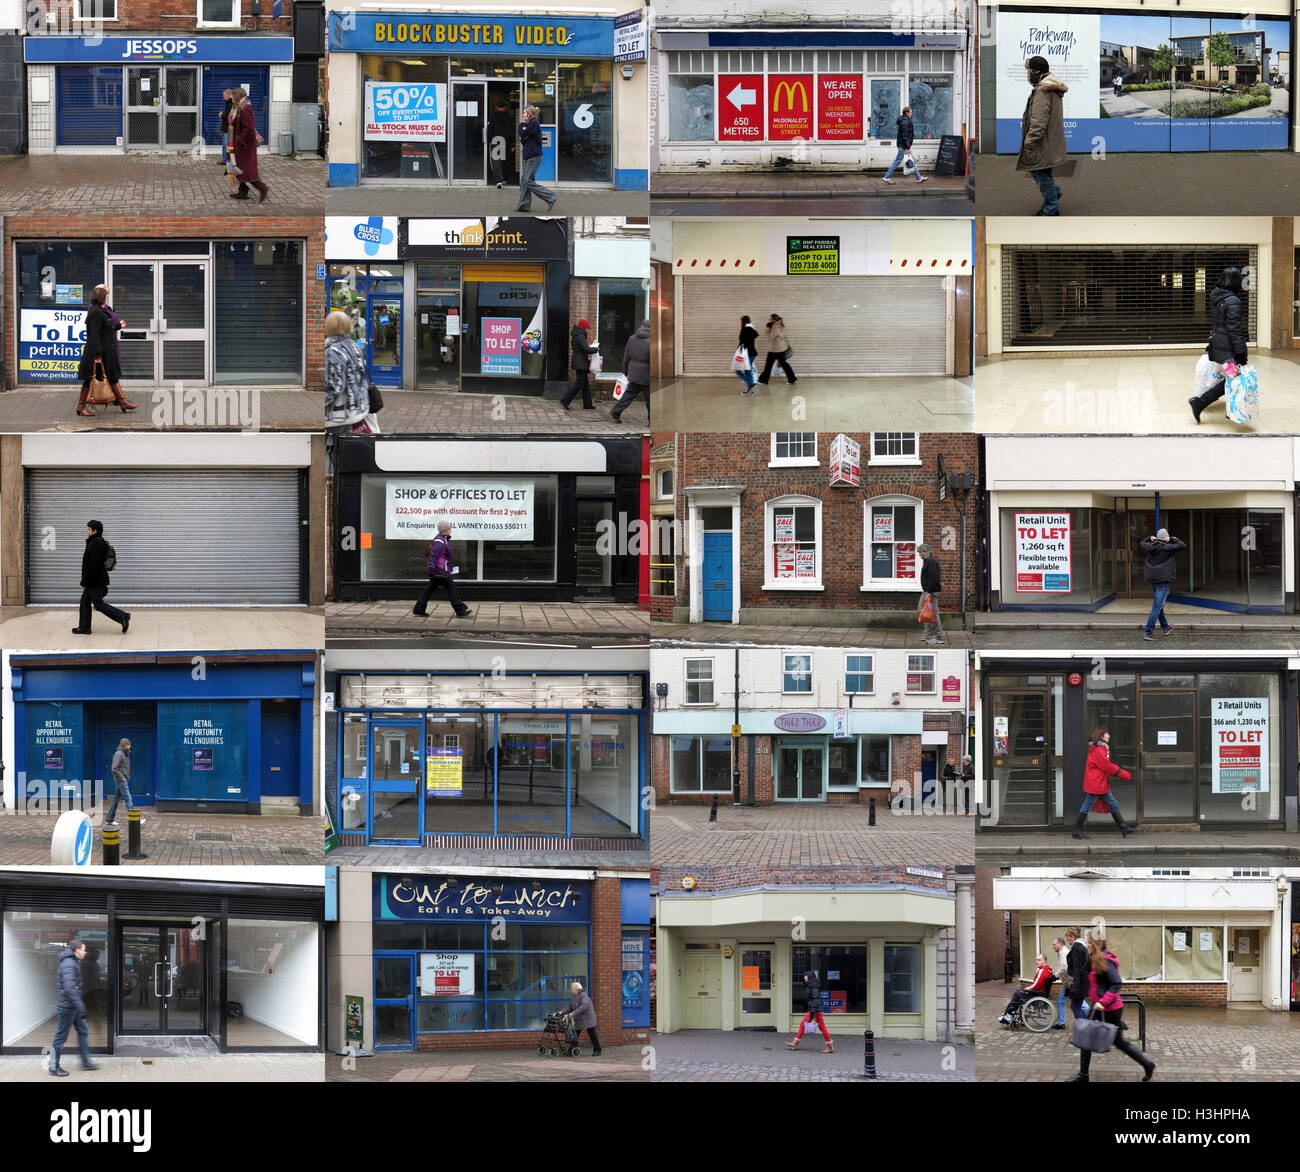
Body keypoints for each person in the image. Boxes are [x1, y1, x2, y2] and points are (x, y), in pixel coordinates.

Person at [1067, 931, 1156, 1083]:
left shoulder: (1106, 961)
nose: (1087, 945)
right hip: (1098, 1007)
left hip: (1109, 1009)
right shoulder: (1095, 958)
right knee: (1086, 1037)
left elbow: (1116, 983)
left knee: (1118, 1042)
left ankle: (1148, 1064)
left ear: (1095, 944)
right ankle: (1083, 1075)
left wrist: (1103, 1001)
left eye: (1089, 942)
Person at [1189, 267, 1248, 422]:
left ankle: (1230, 410)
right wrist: (1241, 352)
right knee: (1234, 376)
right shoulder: (1233, 300)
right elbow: (1234, 329)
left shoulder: (1215, 295)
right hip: (1228, 349)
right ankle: (1200, 402)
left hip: (1217, 344)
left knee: (1230, 376)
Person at [1016, 55, 1068, 216]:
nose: (1028, 75)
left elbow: (1038, 121)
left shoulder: (1042, 91)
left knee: (1041, 173)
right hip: (1049, 141)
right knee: (1041, 172)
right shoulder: (1049, 87)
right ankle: (1054, 192)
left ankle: (1051, 208)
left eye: (1029, 71)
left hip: (1042, 142)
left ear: (1036, 71)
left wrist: (1029, 142)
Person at [75, 285, 138, 417]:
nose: (108, 298)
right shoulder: (96, 312)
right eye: (106, 296)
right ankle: (81, 406)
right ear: (101, 297)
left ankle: (123, 401)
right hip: (97, 353)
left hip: (106, 351)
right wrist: (97, 357)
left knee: (112, 376)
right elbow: (94, 335)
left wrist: (117, 325)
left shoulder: (101, 310)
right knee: (89, 379)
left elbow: (106, 327)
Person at [1073, 726, 1135, 839]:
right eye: (1107, 734)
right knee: (1086, 807)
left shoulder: (1099, 749)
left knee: (1113, 804)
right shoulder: (1099, 750)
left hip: (1099, 784)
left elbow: (1105, 766)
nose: (1109, 736)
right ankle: (1077, 831)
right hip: (1097, 785)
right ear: (1101, 737)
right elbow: (1107, 766)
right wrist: (1127, 775)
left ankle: (1124, 828)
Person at [49, 939, 98, 1077]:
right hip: (67, 1007)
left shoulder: (73, 961)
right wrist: (81, 1006)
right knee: (60, 1037)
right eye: (83, 949)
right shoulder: (69, 964)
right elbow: (70, 988)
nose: (85, 952)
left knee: (83, 1030)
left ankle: (85, 1062)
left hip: (73, 1005)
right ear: (77, 950)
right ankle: (53, 1067)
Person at [73, 519, 129, 636]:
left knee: (98, 604)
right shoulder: (94, 542)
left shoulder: (97, 544)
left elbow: (93, 565)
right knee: (85, 601)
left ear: (95, 531)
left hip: (96, 581)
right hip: (94, 580)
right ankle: (84, 627)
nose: (87, 531)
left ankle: (123, 616)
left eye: (89, 529)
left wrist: (84, 581)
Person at [412, 520, 472, 619]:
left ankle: (419, 609)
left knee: (429, 590)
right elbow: (433, 556)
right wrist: (432, 570)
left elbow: (445, 557)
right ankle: (460, 610)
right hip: (440, 572)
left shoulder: (444, 539)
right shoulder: (440, 542)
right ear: (445, 530)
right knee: (452, 590)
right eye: (449, 528)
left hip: (441, 570)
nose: (450, 530)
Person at [324, 310, 371, 430]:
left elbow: (335, 387)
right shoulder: (353, 345)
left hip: (337, 417)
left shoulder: (333, 351)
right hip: (354, 411)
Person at [1139, 527, 1185, 640]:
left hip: (1152, 580)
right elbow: (1182, 545)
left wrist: (1149, 538)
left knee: (1159, 605)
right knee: (1157, 606)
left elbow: (1142, 543)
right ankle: (1148, 632)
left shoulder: (1150, 546)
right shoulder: (1168, 547)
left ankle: (1165, 627)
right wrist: (1172, 538)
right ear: (1166, 538)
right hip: (1162, 581)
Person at [230, 87, 269, 202]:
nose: (231, 97)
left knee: (247, 170)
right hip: (242, 145)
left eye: (232, 95)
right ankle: (242, 192)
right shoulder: (239, 107)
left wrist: (239, 139)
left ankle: (262, 188)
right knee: (240, 168)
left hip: (245, 145)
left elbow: (249, 129)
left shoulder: (245, 109)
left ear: (237, 96)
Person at [515, 105, 556, 213]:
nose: (522, 115)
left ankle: (550, 197)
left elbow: (523, 133)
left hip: (534, 157)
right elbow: (521, 135)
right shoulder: (529, 124)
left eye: (524, 113)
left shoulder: (533, 123)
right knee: (524, 181)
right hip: (529, 156)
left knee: (527, 181)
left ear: (529, 114)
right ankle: (524, 206)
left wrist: (523, 128)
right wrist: (523, 130)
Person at [612, 318, 650, 424]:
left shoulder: (632, 338)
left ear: (641, 326)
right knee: (650, 399)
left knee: (629, 394)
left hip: (633, 372)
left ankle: (616, 411)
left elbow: (626, 356)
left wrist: (625, 371)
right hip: (647, 375)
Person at [786, 970, 834, 1053]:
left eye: (806, 976)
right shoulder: (810, 985)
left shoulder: (813, 987)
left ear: (810, 977)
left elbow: (815, 1000)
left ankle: (795, 1043)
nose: (804, 977)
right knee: (822, 1028)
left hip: (815, 1010)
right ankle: (829, 1046)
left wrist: (811, 1013)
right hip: (816, 1010)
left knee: (803, 1024)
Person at [998, 953, 1052, 1024]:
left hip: (1036, 995)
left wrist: (1026, 989)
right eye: (1036, 960)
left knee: (1017, 993)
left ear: (1044, 961)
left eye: (1039, 960)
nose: (1036, 962)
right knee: (1018, 994)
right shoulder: (1049, 971)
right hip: (1041, 994)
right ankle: (1010, 1014)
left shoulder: (1042, 971)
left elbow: (1036, 985)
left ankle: (1009, 1015)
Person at [881, 106, 928, 185]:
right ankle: (886, 177)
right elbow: (905, 135)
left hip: (903, 145)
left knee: (912, 161)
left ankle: (919, 178)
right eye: (911, 112)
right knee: (897, 161)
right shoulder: (905, 122)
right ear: (907, 112)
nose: (911, 114)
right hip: (903, 146)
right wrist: (907, 147)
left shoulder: (904, 120)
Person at [560, 318, 598, 410]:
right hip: (581, 362)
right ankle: (565, 400)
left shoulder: (576, 335)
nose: (587, 330)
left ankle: (587, 404)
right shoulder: (580, 336)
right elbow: (586, 349)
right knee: (579, 383)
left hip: (579, 361)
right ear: (583, 327)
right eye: (586, 328)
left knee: (585, 384)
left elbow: (583, 348)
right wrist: (596, 349)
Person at [105, 737, 141, 826]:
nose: (130, 746)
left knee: (116, 799)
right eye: (129, 745)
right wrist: (122, 777)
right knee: (128, 798)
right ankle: (135, 819)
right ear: (124, 745)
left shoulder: (125, 753)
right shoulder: (119, 754)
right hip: (121, 780)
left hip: (124, 779)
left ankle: (109, 819)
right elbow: (114, 768)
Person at [755, 314, 796, 385]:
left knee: (769, 365)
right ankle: (792, 378)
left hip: (776, 350)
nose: (769, 320)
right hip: (779, 349)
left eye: (770, 319)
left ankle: (763, 380)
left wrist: (767, 328)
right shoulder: (777, 325)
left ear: (774, 320)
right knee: (783, 364)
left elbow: (770, 337)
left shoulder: (776, 327)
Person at [917, 542, 944, 646]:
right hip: (928, 591)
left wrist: (929, 592)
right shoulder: (927, 561)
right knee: (923, 611)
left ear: (925, 552)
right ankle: (929, 634)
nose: (919, 555)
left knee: (933, 614)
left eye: (920, 552)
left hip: (930, 592)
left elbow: (933, 578)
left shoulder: (931, 562)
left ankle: (937, 637)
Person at [1064, 927, 1092, 1023]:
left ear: (1072, 937)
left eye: (1067, 936)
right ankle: (1085, 1029)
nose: (1067, 939)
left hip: (1079, 984)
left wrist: (1075, 988)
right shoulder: (1083, 947)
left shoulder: (1076, 948)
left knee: (1075, 1007)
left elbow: (1077, 969)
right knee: (1076, 1007)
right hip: (1082, 982)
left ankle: (1085, 1030)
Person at [565, 981, 600, 1055]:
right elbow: (570, 1007)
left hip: (588, 1019)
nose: (571, 990)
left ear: (577, 989)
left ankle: (597, 1050)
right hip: (579, 1019)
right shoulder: (574, 996)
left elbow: (583, 1007)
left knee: (592, 1034)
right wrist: (561, 1012)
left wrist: (573, 1013)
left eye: (572, 989)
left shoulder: (583, 996)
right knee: (575, 1035)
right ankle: (572, 1051)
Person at [1050, 936, 1073, 1029]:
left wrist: (1055, 976)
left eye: (1054, 944)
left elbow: (1064, 968)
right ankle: (1061, 1022)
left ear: (1060, 944)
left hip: (1070, 983)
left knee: (1077, 1003)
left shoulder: (1063, 953)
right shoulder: (1062, 952)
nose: (1053, 946)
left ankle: (1061, 1023)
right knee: (1062, 1001)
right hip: (1068, 982)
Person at [736, 314, 759, 395]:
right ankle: (750, 390)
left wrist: (738, 352)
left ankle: (751, 383)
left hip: (746, 354)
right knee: (747, 370)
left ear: (743, 321)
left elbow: (742, 342)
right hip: (752, 353)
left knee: (738, 370)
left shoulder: (745, 329)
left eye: (741, 321)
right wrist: (751, 327)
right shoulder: (749, 329)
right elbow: (756, 334)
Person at [218, 88, 235, 168]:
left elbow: (229, 117)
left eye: (224, 95)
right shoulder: (228, 103)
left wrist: (222, 115)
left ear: (229, 95)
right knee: (224, 144)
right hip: (226, 128)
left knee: (226, 144)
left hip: (229, 128)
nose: (223, 97)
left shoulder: (231, 104)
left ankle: (228, 160)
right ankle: (225, 160)